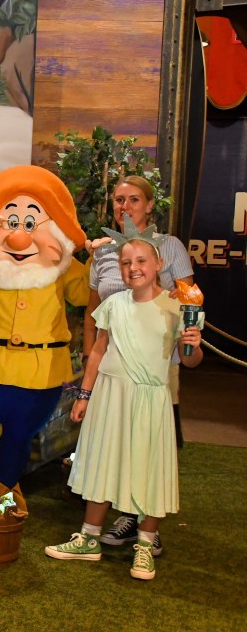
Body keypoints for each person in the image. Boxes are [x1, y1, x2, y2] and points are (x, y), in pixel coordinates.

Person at [45, 224, 203, 581]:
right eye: (126, 262)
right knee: (103, 460)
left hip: (150, 398)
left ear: (159, 264)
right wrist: (84, 395)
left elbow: (190, 360)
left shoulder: (175, 307)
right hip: (110, 395)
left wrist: (192, 344)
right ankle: (89, 538)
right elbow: (99, 351)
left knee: (149, 467)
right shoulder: (114, 305)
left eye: (141, 261)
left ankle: (144, 546)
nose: (133, 268)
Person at [0, 166, 89, 513]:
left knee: (20, 436)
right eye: (11, 222)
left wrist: (103, 263)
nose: (19, 238)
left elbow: (86, 294)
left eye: (31, 223)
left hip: (42, 373)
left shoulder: (64, 266)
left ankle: (6, 487)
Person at [82, 176, 194, 555]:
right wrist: (89, 358)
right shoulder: (103, 252)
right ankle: (108, 517)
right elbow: (93, 308)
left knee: (149, 443)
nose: (125, 206)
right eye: (119, 199)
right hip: (112, 362)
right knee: (112, 439)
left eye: (133, 199)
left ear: (148, 204)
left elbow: (188, 299)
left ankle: (141, 521)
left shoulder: (169, 245)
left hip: (154, 362)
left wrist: (186, 334)